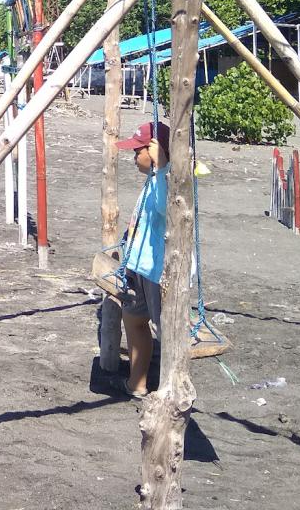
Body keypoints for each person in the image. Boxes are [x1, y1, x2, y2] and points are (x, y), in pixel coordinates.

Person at [114, 120, 171, 397]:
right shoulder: (152, 179)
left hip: (157, 270)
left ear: (156, 150)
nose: (134, 156)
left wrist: (162, 168)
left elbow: (166, 208)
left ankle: (169, 390)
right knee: (133, 317)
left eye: (139, 151)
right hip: (139, 264)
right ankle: (136, 383)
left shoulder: (169, 179)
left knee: (165, 329)